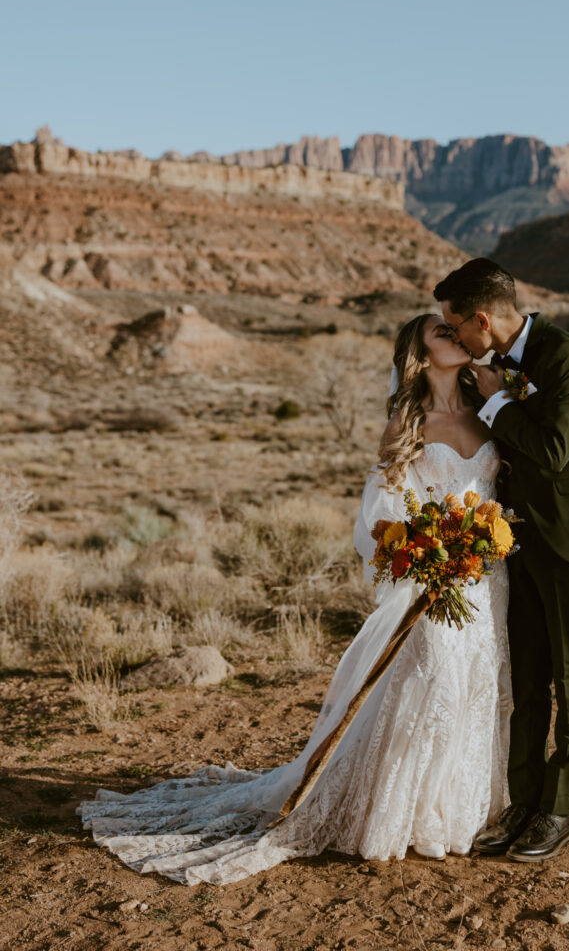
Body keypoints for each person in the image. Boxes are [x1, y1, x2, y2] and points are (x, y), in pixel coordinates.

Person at [77, 313, 512, 884]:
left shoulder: (489, 408)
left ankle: (458, 810)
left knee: (479, 683)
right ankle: (395, 814)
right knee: (432, 678)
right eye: (440, 333)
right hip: (433, 577)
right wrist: (424, 550)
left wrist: (480, 540)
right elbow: (383, 504)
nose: (454, 336)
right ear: (419, 355)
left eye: (455, 329)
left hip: (485, 578)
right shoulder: (407, 421)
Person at [436, 257, 569, 862]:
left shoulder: (565, 355)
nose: (457, 339)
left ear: (482, 319)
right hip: (515, 544)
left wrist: (497, 403)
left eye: (457, 326)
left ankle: (560, 808)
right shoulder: (491, 367)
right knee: (525, 682)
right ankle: (523, 799)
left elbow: (552, 447)